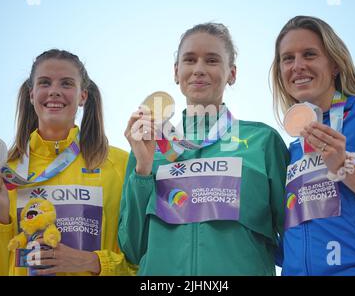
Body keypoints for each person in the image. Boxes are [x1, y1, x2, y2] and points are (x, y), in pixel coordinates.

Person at [118, 23, 289, 275]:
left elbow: (293, 240)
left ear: (232, 73)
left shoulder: (263, 141)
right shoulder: (148, 145)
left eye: (211, 60)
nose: (198, 69)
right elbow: (132, 248)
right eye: (189, 60)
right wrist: (142, 170)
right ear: (177, 72)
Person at [271, 15, 355, 275]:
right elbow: (291, 242)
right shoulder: (292, 149)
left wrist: (348, 170)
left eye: (309, 54)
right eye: (288, 58)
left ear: (334, 64)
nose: (297, 66)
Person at [0, 49, 136, 276]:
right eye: (44, 83)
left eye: (66, 84)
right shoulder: (5, 172)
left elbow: (139, 264)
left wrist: (92, 262)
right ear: (32, 94)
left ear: (83, 96)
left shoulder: (119, 165)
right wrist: (2, 216)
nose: (54, 92)